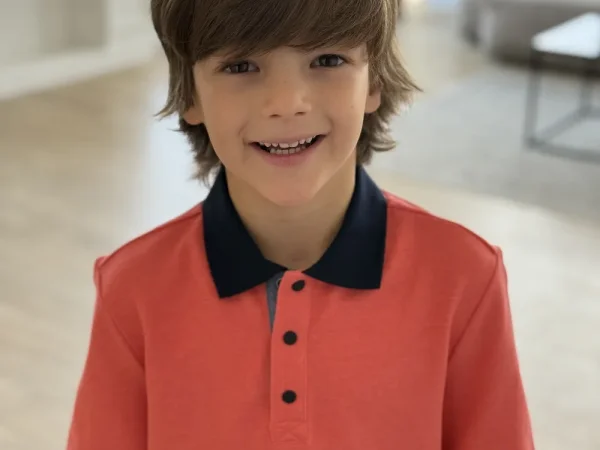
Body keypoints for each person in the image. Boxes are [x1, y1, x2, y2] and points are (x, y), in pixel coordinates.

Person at [66, 0, 535, 449]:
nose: (287, 102)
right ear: (190, 94)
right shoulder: (132, 288)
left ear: (374, 80)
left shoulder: (463, 276)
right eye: (241, 66)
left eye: (327, 60)